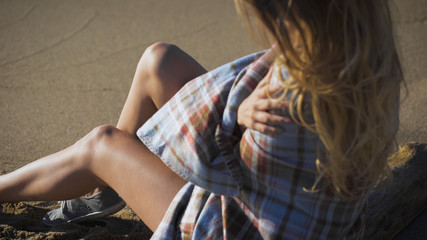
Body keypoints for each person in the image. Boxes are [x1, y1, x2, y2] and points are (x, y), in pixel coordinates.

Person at [0, 0, 403, 239]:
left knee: (103, 143)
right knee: (160, 61)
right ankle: (109, 189)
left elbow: (208, 162)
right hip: (314, 220)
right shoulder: (371, 62)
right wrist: (238, 114)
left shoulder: (282, 91)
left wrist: (236, 119)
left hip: (233, 230)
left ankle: (84, 177)